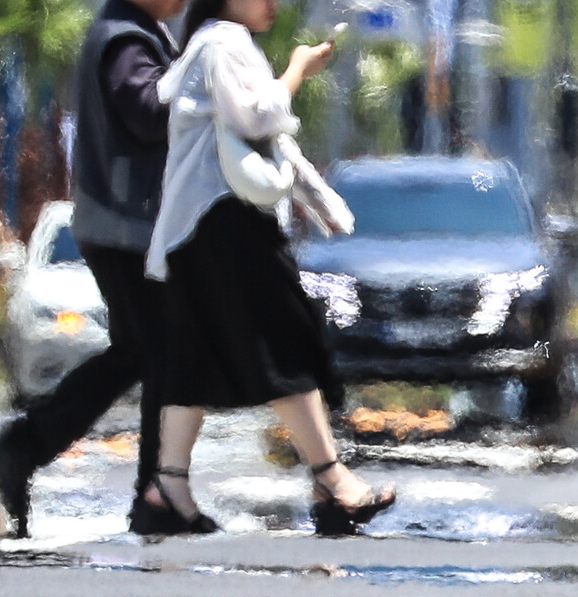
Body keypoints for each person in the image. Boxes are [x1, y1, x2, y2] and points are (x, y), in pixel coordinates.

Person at [143, 0, 394, 536]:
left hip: (202, 227)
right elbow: (256, 118)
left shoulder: (216, 44)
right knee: (287, 339)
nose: (273, 2)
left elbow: (266, 141)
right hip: (224, 223)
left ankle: (168, 486)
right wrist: (297, 71)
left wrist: (320, 201)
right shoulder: (222, 43)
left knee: (197, 355)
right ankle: (332, 478)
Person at [0, 0, 206, 538]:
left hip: (123, 225)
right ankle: (156, 496)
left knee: (140, 354)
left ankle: (29, 444)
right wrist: (199, 71)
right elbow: (149, 113)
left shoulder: (132, 31)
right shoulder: (125, 38)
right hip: (127, 228)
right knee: (165, 358)